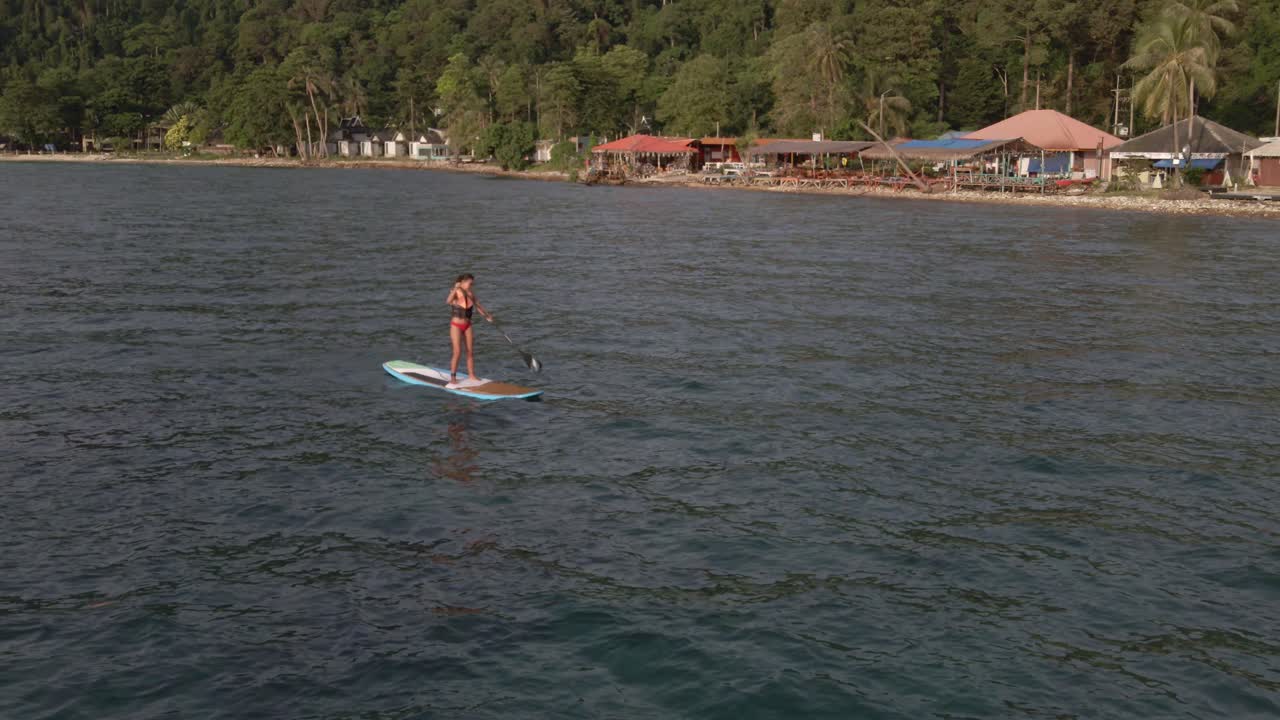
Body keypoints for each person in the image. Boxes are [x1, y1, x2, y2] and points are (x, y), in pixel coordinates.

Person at [446, 273, 493, 384]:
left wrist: (487, 316)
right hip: (456, 325)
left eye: (472, 283)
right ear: (463, 282)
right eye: (470, 283)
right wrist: (456, 288)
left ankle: (471, 375)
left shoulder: (471, 294)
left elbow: (478, 306)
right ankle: (453, 377)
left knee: (470, 352)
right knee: (457, 352)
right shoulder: (456, 291)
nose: (471, 285)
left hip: (467, 325)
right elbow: (448, 301)